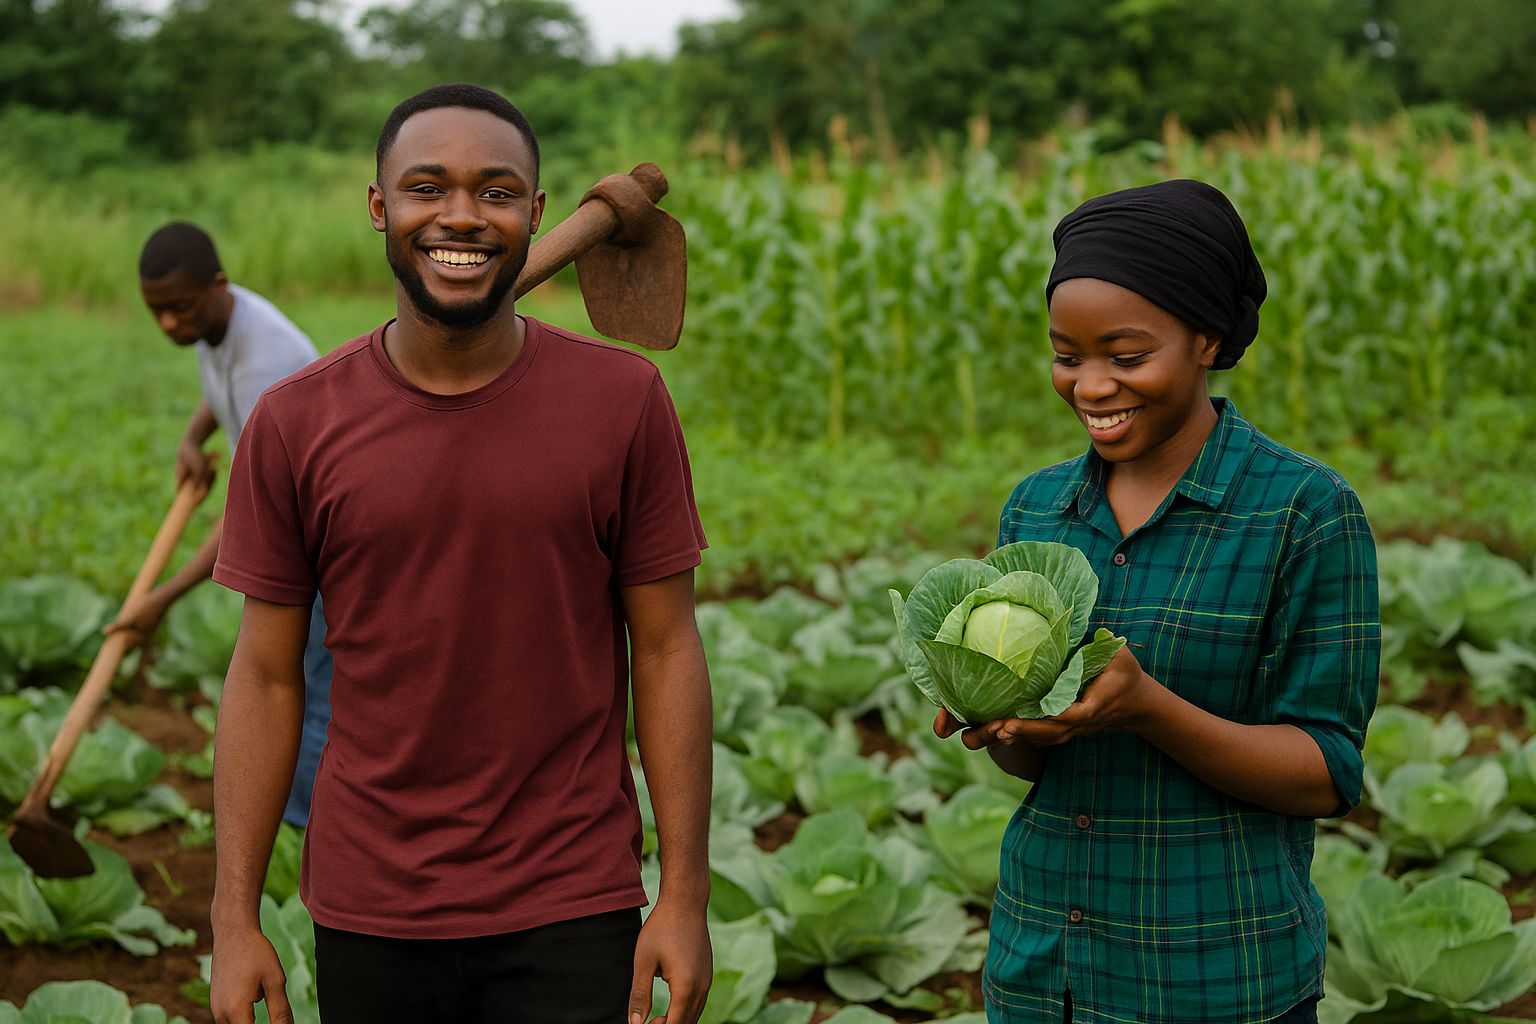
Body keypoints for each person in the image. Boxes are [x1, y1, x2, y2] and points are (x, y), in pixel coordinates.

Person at [206, 83, 713, 1024]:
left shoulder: (622, 402)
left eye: (497, 192)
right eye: (427, 187)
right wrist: (232, 918)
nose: (463, 217)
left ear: (537, 211)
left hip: (572, 895)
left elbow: (668, 646)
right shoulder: (295, 424)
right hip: (371, 901)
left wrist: (684, 895)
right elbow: (267, 677)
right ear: (379, 206)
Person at [936, 179, 1380, 1023]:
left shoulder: (1303, 511)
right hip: (1044, 970)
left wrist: (1149, 709)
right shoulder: (1036, 508)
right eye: (1068, 356)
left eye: (1126, 356)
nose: (1091, 386)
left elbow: (1326, 773)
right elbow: (1033, 764)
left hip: (1216, 974)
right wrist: (998, 719)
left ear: (1207, 339)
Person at [118, 223, 333, 830]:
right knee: (292, 678)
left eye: (179, 308)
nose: (168, 324)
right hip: (291, 530)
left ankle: (304, 832)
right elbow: (222, 390)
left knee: (316, 691)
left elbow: (248, 510)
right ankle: (296, 823)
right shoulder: (214, 323)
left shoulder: (266, 357)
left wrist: (162, 597)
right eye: (156, 311)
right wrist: (193, 438)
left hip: (323, 537)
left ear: (218, 285)